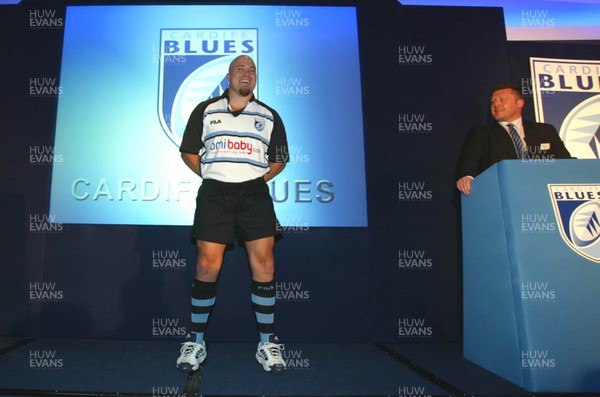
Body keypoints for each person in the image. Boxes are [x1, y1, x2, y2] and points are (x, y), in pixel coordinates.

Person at [176, 55, 289, 373]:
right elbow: (188, 152)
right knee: (206, 265)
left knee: (265, 264)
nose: (247, 73)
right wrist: (216, 174)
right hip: (215, 196)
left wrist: (253, 179)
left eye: (252, 69)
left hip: (254, 197)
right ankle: (196, 342)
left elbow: (279, 158)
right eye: (240, 68)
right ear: (228, 76)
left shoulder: (269, 115)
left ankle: (267, 343)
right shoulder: (205, 109)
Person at [456, 83, 572, 195]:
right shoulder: (481, 134)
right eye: (493, 102)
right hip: (503, 194)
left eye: (502, 100)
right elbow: (468, 165)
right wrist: (467, 177)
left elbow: (566, 162)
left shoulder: (545, 131)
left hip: (543, 192)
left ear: (519, 103)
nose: (496, 105)